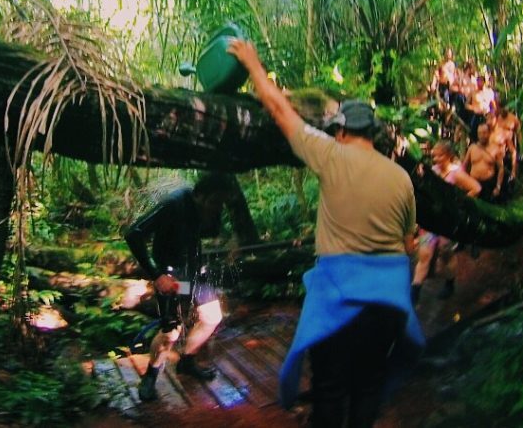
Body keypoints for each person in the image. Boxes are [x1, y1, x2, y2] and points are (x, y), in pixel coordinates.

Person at [228, 39, 423, 428]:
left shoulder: (331, 156)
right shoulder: (402, 179)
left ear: (341, 130)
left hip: (339, 299)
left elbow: (279, 110)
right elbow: (410, 247)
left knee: (330, 388)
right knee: (368, 385)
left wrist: (252, 63)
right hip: (386, 305)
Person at [125, 177, 225, 402]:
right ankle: (150, 375)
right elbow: (134, 234)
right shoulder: (174, 204)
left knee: (212, 316)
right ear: (200, 195)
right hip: (170, 275)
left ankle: (187, 362)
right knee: (171, 331)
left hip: (193, 273)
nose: (217, 207)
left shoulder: (207, 210)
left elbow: (207, 234)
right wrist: (156, 275)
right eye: (214, 202)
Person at [411, 139, 481, 302]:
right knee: (424, 255)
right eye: (433, 156)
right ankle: (415, 291)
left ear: (448, 156)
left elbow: (476, 188)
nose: (434, 159)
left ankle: (449, 283)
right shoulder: (433, 171)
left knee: (445, 254)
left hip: (447, 223)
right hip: (431, 222)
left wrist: (457, 204)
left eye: (439, 156)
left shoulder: (456, 173)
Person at [462, 123, 504, 203]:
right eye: (479, 133)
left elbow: (501, 168)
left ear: (489, 133)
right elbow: (465, 165)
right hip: (473, 182)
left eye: (484, 133)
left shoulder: (495, 149)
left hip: (488, 184)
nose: (482, 135)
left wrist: (498, 186)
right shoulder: (472, 148)